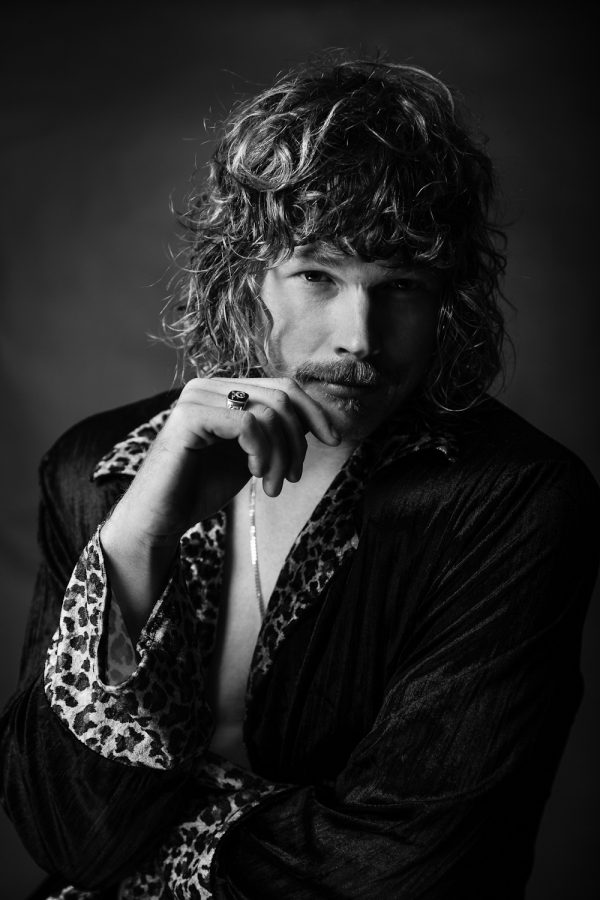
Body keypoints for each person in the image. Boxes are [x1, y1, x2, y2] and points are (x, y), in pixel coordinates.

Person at [1, 53, 598, 900]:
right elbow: (66, 831)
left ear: (447, 300)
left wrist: (159, 861)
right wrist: (135, 542)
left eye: (402, 286)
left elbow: (408, 864)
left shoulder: (514, 499)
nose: (359, 336)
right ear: (244, 276)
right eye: (317, 274)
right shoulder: (97, 466)